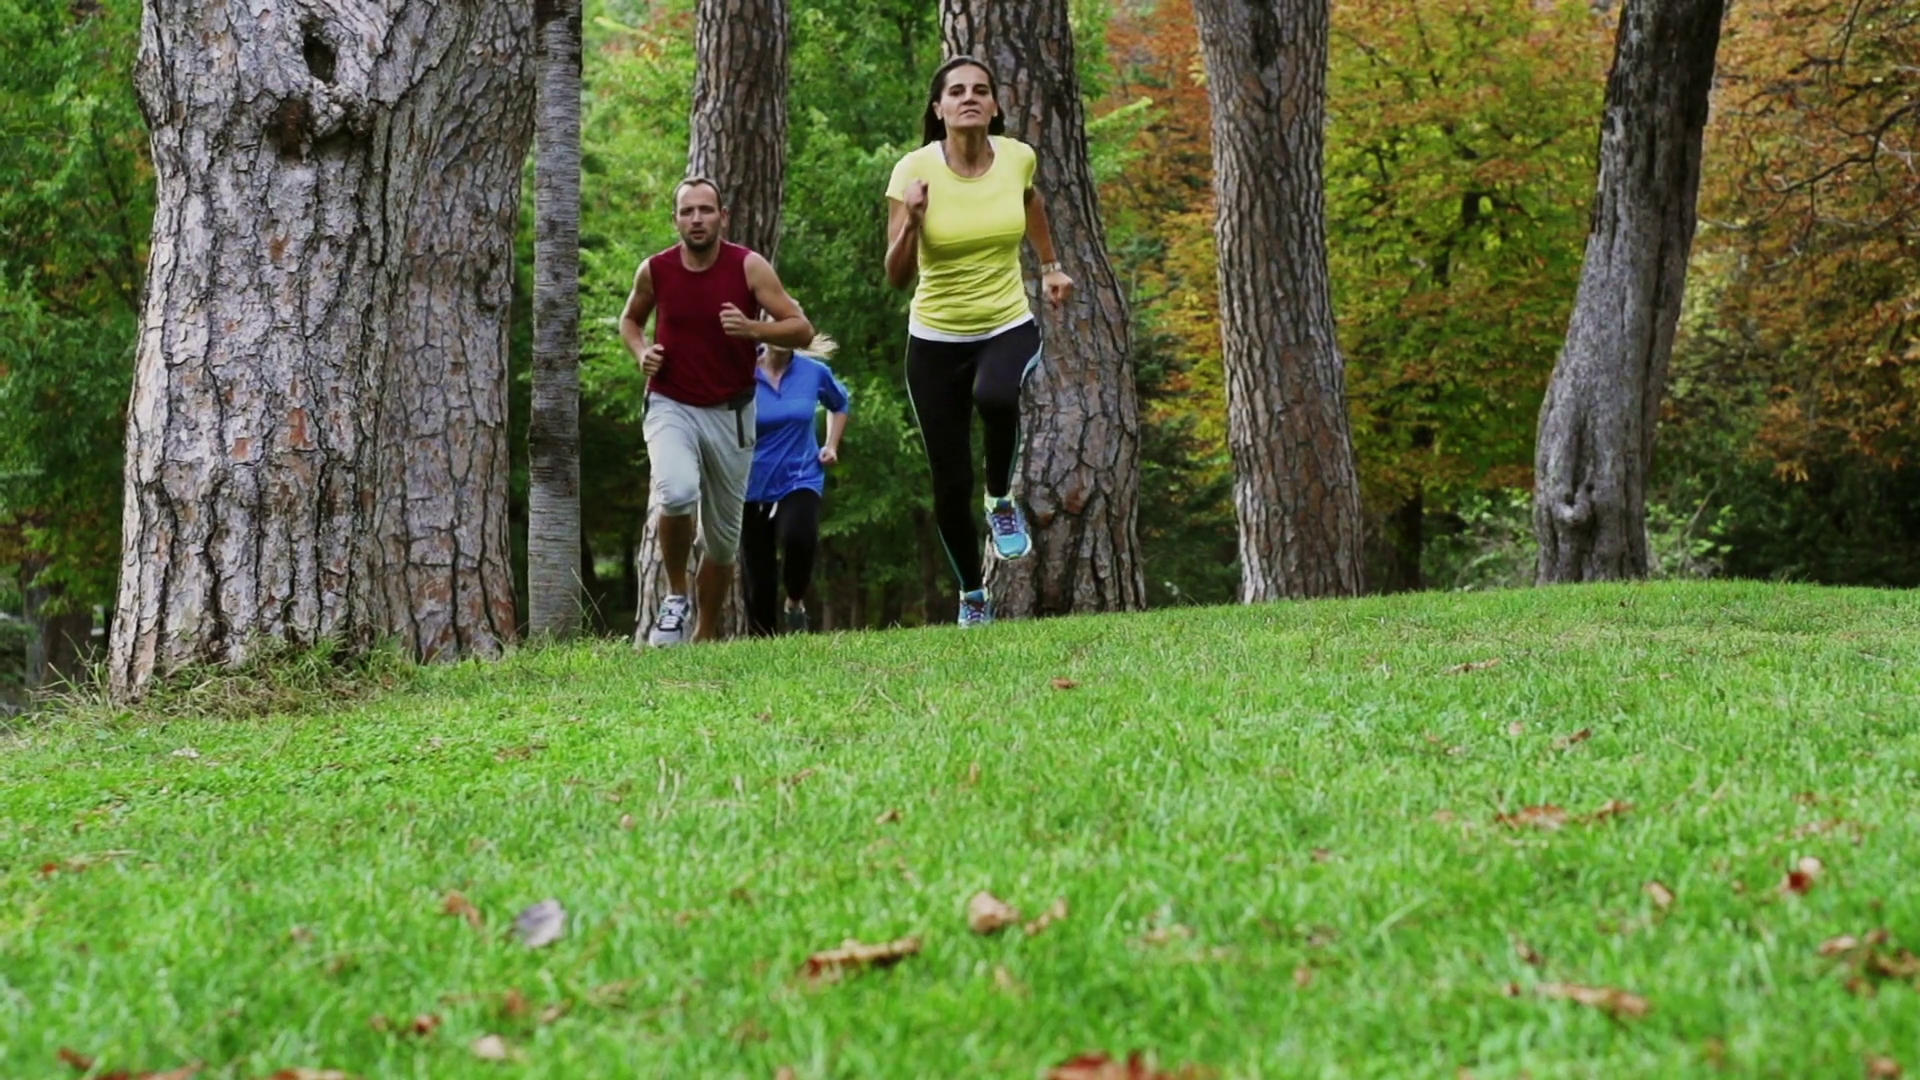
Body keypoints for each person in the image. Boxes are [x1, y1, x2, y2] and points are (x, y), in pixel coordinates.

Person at [884, 55, 1075, 627]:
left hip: (1005, 321)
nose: (969, 97)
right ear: (939, 108)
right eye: (957, 91)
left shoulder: (1017, 157)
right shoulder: (913, 170)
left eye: (980, 90)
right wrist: (913, 220)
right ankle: (972, 595)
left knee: (996, 395)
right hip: (935, 337)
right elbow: (896, 276)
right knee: (949, 482)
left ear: (993, 107)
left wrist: (1050, 265)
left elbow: (1030, 201)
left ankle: (999, 500)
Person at [620, 176, 814, 646]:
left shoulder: (748, 267)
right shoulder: (655, 270)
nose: (697, 219)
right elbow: (631, 320)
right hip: (670, 403)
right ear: (675, 220)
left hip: (732, 413)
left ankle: (704, 634)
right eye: (687, 211)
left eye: (706, 210)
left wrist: (752, 328)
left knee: (724, 541)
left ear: (722, 217)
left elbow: (802, 330)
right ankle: (675, 598)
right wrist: (641, 352)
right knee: (677, 491)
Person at [741, 335, 851, 636]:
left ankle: (794, 601)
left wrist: (831, 445)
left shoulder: (813, 372)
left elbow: (840, 403)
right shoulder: (741, 371)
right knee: (759, 575)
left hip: (801, 476)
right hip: (749, 483)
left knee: (798, 537)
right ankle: (762, 644)